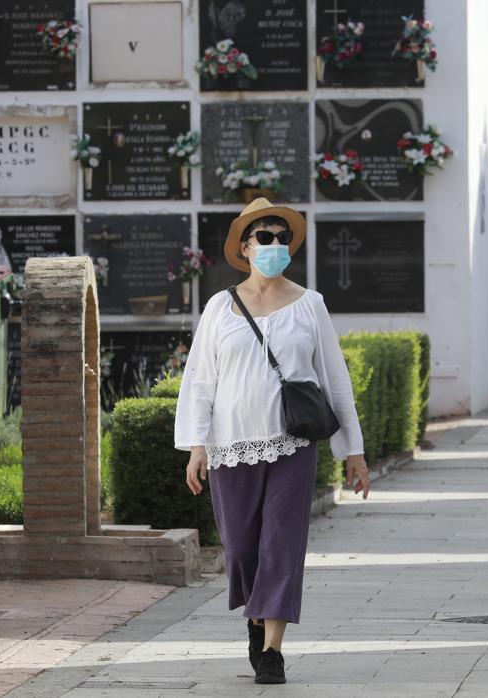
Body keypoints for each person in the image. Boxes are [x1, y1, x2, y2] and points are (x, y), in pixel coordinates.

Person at [174, 197, 369, 685]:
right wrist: (197, 445)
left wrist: (354, 451)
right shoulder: (220, 307)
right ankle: (256, 618)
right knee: (241, 549)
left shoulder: (310, 304)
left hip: (292, 445)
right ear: (245, 246)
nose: (276, 245)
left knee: (282, 544)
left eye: (284, 238)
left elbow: (335, 379)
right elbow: (199, 380)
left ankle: (272, 651)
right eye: (266, 236)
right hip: (229, 447)